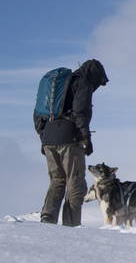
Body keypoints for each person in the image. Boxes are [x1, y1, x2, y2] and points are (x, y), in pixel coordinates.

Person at [36, 59, 109, 226]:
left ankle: (47, 218)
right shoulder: (83, 82)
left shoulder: (59, 86)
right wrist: (86, 137)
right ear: (94, 75)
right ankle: (71, 225)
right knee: (75, 181)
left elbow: (37, 115)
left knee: (57, 180)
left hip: (48, 138)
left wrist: (43, 138)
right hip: (69, 139)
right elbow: (80, 111)